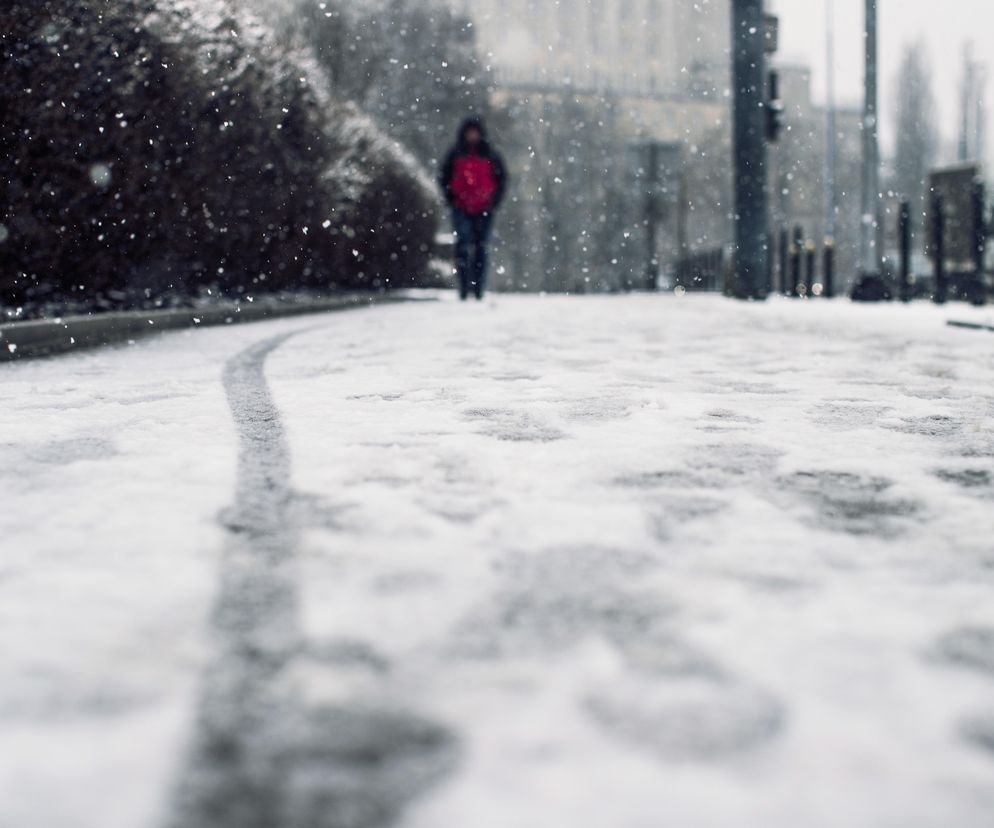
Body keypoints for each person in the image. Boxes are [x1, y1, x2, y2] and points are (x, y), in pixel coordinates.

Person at [439, 117, 507, 301]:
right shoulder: (455, 154)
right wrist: (452, 199)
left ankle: (477, 289)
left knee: (480, 248)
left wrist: (494, 201)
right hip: (461, 207)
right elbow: (444, 177)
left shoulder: (491, 155)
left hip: (484, 208)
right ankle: (464, 287)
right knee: (463, 245)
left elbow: (501, 180)